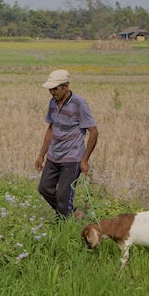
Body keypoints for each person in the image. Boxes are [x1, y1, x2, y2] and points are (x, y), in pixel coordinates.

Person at [34, 69, 98, 222]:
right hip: (54, 155)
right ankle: (73, 213)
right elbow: (51, 128)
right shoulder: (52, 103)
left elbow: (94, 132)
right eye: (50, 89)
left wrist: (84, 160)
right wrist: (41, 154)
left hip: (72, 157)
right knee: (44, 188)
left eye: (55, 89)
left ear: (66, 86)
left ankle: (64, 226)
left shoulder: (79, 104)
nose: (51, 92)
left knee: (63, 194)